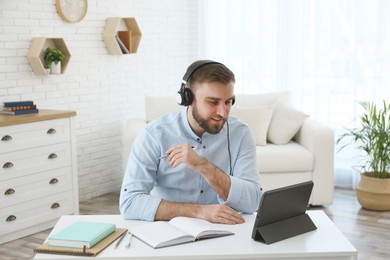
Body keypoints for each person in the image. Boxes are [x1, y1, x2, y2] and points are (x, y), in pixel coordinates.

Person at [120, 60, 262, 224]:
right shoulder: (154, 135)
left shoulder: (241, 133)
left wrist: (203, 166)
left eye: (228, 102)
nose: (222, 112)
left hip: (225, 230)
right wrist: (200, 212)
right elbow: (129, 203)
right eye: (213, 102)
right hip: (168, 230)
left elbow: (253, 202)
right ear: (187, 98)